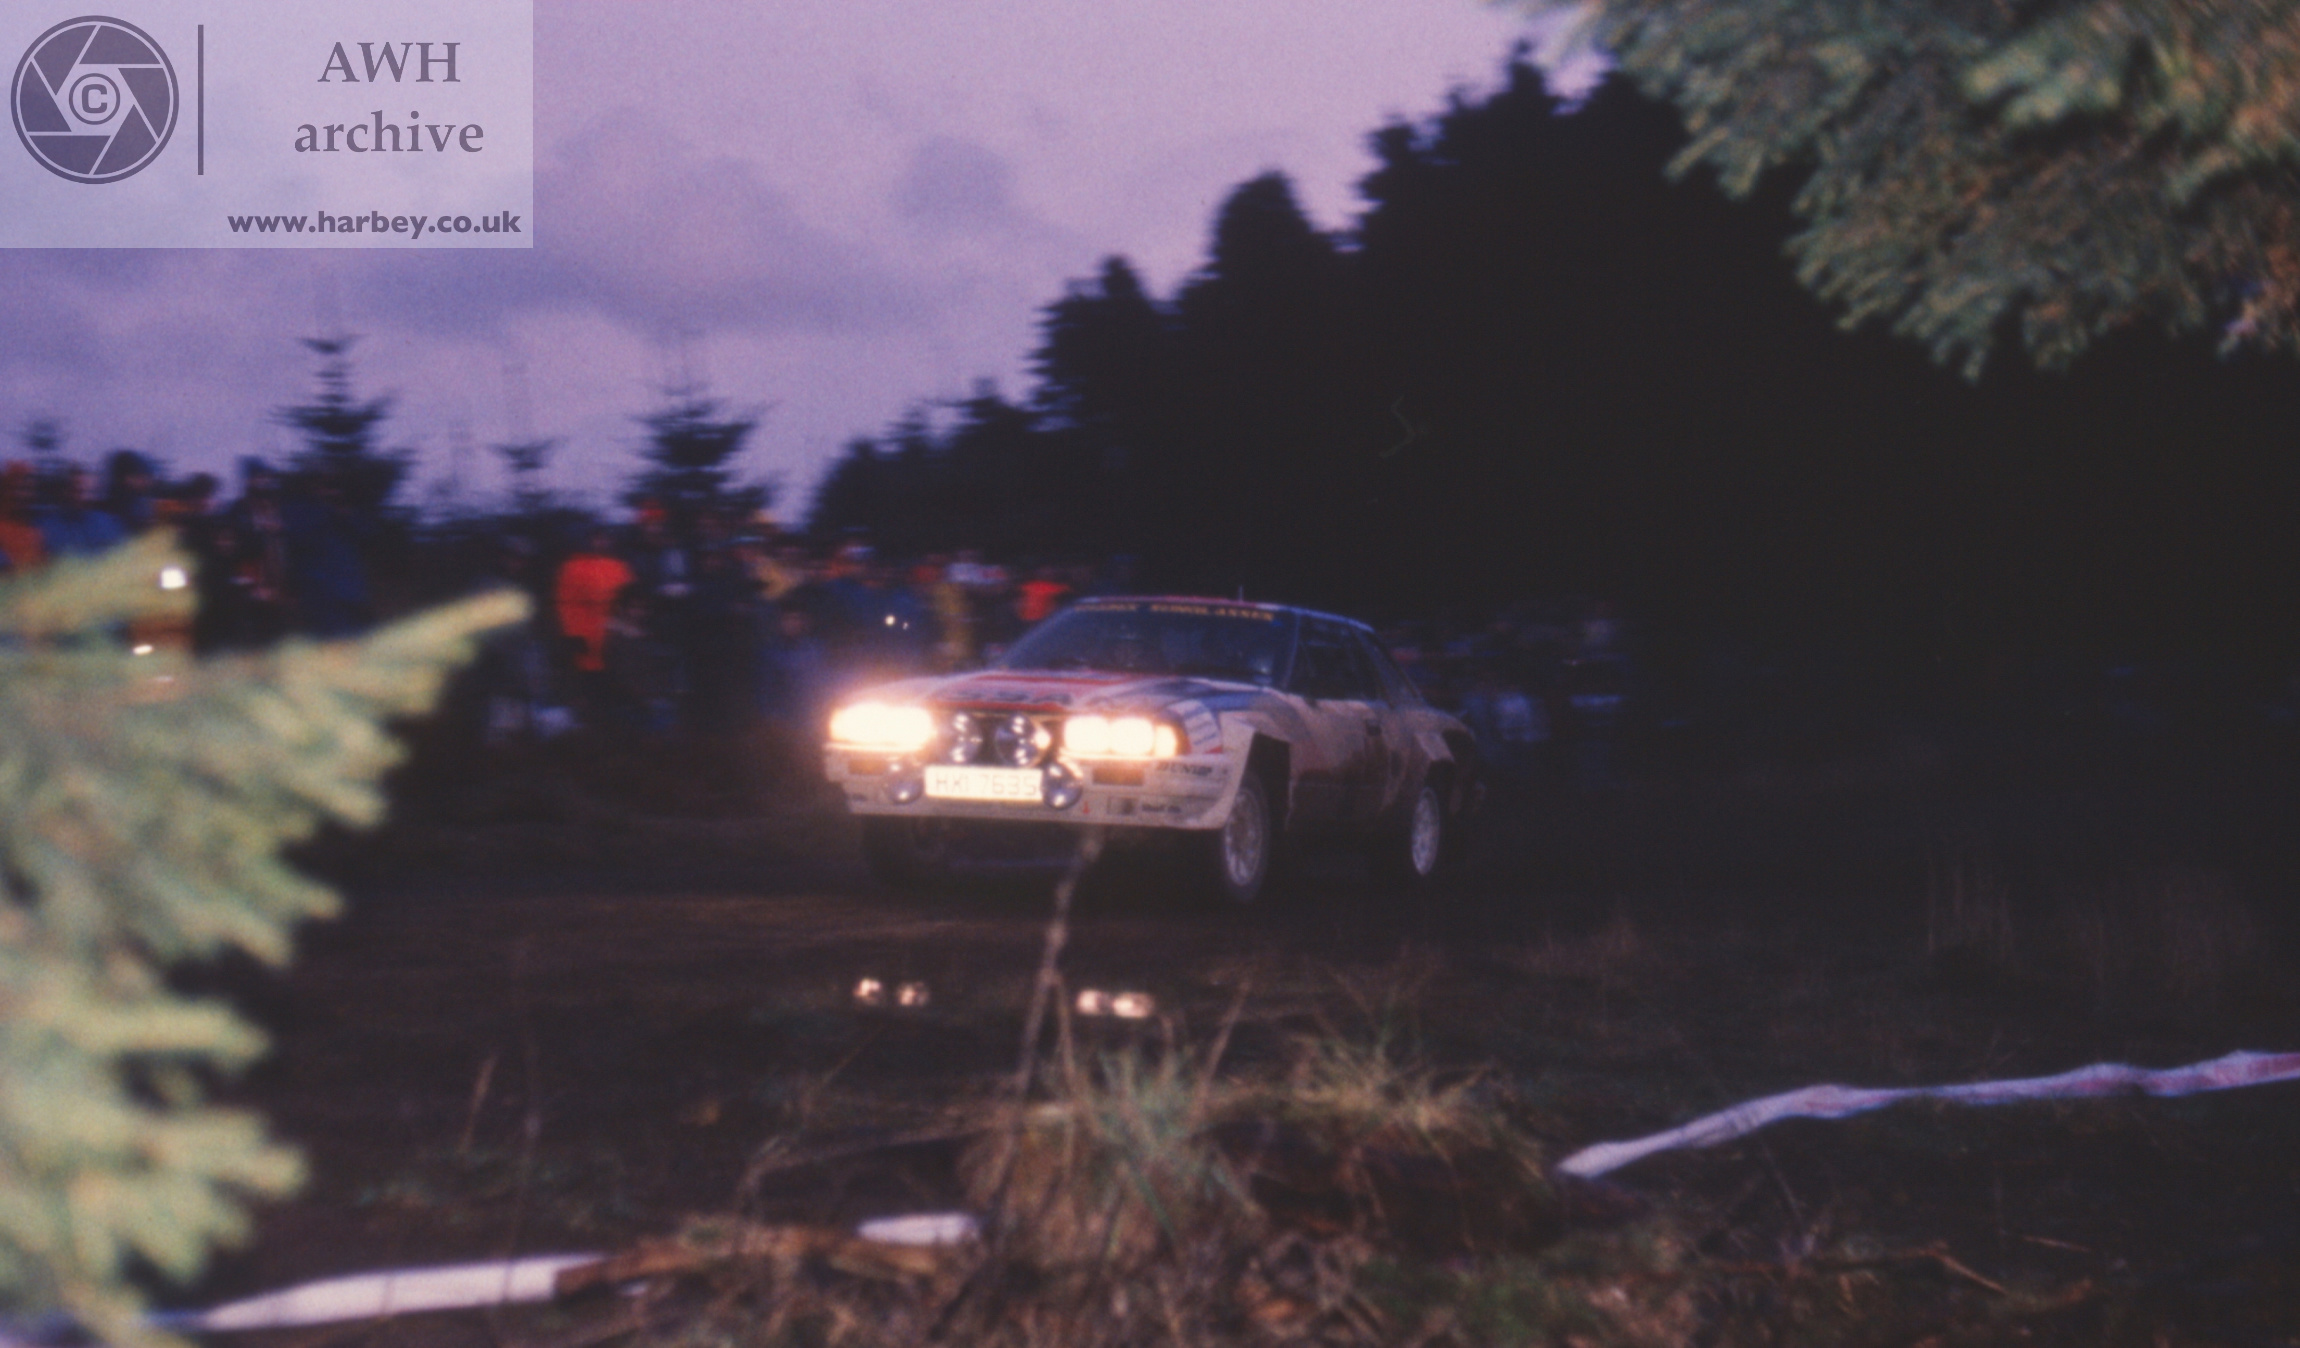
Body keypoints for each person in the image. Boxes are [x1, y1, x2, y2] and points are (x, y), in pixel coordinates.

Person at [554, 527, 634, 722]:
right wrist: (572, 632)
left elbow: (632, 599)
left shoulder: (620, 566)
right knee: (587, 685)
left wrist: (629, 630)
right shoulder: (573, 566)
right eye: (597, 538)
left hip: (615, 636)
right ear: (589, 540)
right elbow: (565, 602)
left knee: (617, 684)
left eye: (606, 538)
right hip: (585, 634)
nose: (602, 543)